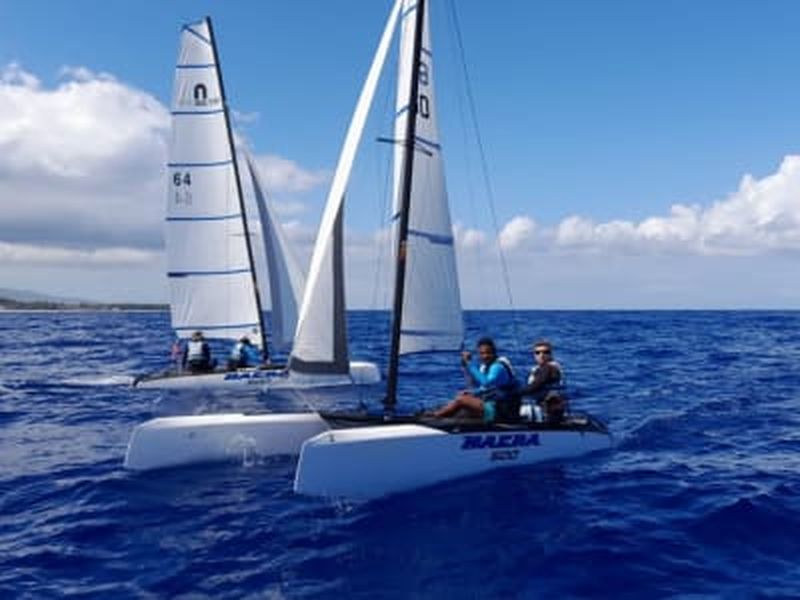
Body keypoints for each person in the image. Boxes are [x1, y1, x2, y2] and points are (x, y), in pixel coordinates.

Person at [433, 337, 519, 422]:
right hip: (494, 407)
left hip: (503, 411)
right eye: (482, 353)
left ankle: (435, 417)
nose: (485, 356)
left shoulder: (498, 367)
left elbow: (486, 383)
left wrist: (470, 364)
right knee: (463, 402)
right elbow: (476, 385)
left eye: (488, 353)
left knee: (461, 400)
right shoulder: (484, 367)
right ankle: (439, 416)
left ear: (494, 353)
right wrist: (465, 367)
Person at [517, 339, 567, 422]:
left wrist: (514, 393)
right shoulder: (538, 369)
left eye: (545, 352)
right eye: (537, 352)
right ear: (534, 355)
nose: (541, 355)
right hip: (541, 408)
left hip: (550, 414)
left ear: (551, 354)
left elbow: (536, 385)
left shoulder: (550, 368)